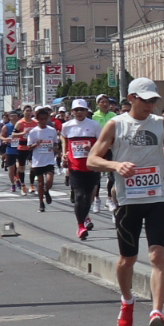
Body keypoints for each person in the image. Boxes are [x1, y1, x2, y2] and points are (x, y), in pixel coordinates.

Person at [86, 78, 164, 326]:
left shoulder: (160, 123)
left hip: (156, 196)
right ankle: (127, 300)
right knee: (127, 259)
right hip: (128, 199)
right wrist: (116, 165)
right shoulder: (116, 124)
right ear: (131, 98)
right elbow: (92, 160)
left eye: (153, 100)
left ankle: (157, 311)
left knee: (157, 256)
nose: (150, 105)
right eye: (145, 100)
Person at [60, 98, 103, 241]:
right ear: (72, 112)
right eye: (76, 110)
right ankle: (80, 226)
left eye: (81, 110)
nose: (79, 112)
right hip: (75, 166)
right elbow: (64, 140)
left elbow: (102, 145)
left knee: (88, 197)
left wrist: (91, 149)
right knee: (79, 196)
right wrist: (64, 155)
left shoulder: (94, 125)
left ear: (86, 111)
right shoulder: (67, 126)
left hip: (91, 166)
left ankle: (85, 217)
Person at [24, 106, 60, 211]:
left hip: (49, 159)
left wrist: (55, 148)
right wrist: (36, 144)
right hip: (38, 161)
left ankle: (46, 190)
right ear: (37, 119)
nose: (43, 121)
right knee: (40, 182)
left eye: (45, 119)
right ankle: (41, 203)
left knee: (49, 180)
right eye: (41, 119)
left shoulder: (52, 130)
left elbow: (56, 145)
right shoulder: (33, 132)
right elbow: (28, 147)